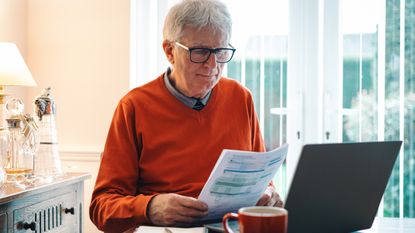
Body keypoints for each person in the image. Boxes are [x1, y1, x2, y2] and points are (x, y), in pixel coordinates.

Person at [89, 0, 283, 232]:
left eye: (220, 51)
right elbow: (102, 208)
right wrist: (149, 207)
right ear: (170, 51)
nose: (212, 65)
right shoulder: (134, 106)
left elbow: (261, 179)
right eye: (200, 52)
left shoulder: (241, 98)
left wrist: (268, 193)